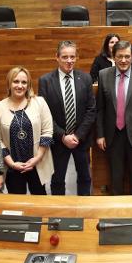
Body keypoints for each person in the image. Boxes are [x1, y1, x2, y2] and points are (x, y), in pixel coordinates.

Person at [39, 41, 97, 195]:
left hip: (81, 140)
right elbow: (44, 114)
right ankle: (60, 215)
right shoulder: (45, 81)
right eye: (65, 57)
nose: (69, 61)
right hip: (58, 141)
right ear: (56, 57)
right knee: (57, 180)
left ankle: (83, 210)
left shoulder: (85, 79)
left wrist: (77, 135)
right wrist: (63, 136)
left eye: (72, 57)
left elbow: (91, 110)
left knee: (85, 177)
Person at [96, 40, 132, 195]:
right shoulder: (103, 75)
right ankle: (118, 215)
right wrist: (100, 134)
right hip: (112, 136)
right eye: (119, 56)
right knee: (115, 178)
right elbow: (100, 108)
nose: (123, 60)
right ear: (113, 57)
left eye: (127, 56)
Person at [0, 66, 54, 195]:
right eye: (16, 81)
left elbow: (47, 132)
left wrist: (37, 158)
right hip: (13, 167)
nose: (20, 86)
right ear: (9, 83)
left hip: (37, 164)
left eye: (24, 82)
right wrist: (11, 163)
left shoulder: (39, 102)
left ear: (28, 84)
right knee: (17, 204)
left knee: (39, 200)